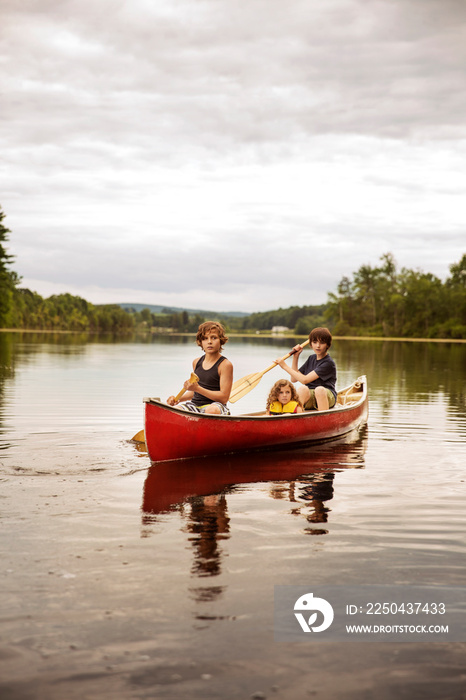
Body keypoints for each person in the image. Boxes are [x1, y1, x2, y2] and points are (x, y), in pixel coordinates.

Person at [167, 321, 233, 415]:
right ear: (200, 342)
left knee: (210, 410)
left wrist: (197, 388)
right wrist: (177, 399)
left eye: (214, 338)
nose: (209, 342)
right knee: (176, 410)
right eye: (205, 338)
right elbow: (195, 393)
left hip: (217, 407)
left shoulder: (225, 365)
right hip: (195, 405)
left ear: (221, 340)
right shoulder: (196, 362)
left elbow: (224, 398)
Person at [274, 327, 337, 411]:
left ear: (327, 345)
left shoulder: (328, 363)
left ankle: (323, 418)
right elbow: (294, 378)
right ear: (311, 344)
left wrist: (284, 366)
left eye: (322, 343)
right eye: (315, 342)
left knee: (319, 390)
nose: (318, 346)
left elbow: (305, 380)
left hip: (326, 396)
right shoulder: (311, 358)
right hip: (311, 395)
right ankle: (297, 416)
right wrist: (295, 357)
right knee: (302, 389)